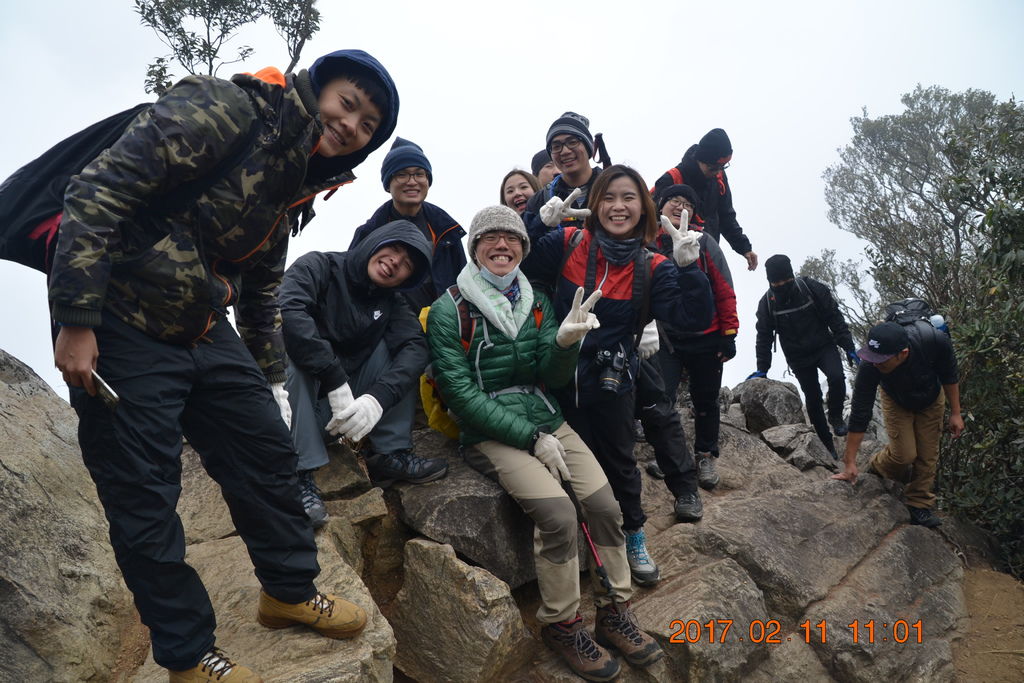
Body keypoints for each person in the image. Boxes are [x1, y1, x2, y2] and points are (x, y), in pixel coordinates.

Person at [49, 50, 399, 681]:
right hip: (121, 319)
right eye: (348, 103)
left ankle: (287, 592)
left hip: (202, 326)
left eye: (368, 124)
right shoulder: (229, 108)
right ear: (316, 87)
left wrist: (269, 378)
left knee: (266, 453)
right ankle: (188, 656)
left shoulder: (295, 184)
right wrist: (77, 318)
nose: (351, 125)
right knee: (143, 495)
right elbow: (100, 188)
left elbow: (262, 294)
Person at [427, 205, 664, 680]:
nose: (502, 245)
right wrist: (531, 438)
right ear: (474, 247)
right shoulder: (449, 310)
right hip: (490, 432)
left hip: (546, 418)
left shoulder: (535, 301)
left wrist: (564, 344)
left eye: (511, 239)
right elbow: (460, 395)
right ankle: (562, 623)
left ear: (523, 248)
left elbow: (548, 376)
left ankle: (615, 610)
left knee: (604, 504)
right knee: (558, 515)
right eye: (490, 237)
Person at [523, 164, 713, 587]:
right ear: (595, 205)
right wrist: (537, 223)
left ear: (643, 207)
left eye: (628, 197)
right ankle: (586, 538)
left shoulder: (656, 266)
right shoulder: (568, 241)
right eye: (608, 197)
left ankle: (633, 535)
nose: (617, 206)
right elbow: (516, 264)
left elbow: (690, 319)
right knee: (567, 465)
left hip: (613, 379)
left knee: (620, 462)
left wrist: (689, 270)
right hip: (556, 374)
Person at [281, 220, 448, 529]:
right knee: (292, 349)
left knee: (404, 349)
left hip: (339, 417)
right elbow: (288, 312)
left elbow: (415, 347)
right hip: (285, 414)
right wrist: (332, 376)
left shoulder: (391, 303)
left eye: (407, 264)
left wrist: (377, 398)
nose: (395, 262)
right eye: (394, 248)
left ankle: (390, 453)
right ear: (377, 240)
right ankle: (299, 474)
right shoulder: (319, 266)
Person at [648, 184, 739, 492]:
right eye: (674, 200)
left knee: (706, 401)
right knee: (661, 398)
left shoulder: (705, 242)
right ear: (660, 206)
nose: (679, 206)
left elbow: (724, 289)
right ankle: (667, 456)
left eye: (687, 203)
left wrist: (729, 333)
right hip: (667, 338)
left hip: (707, 337)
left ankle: (705, 455)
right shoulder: (649, 243)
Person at [832, 321, 963, 528]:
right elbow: (860, 413)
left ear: (902, 353)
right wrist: (850, 462)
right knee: (904, 455)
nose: (876, 364)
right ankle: (877, 466)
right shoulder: (871, 365)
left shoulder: (934, 341)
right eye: (873, 359)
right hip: (896, 399)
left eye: (882, 361)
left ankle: (919, 503)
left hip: (930, 399)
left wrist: (956, 413)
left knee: (927, 454)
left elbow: (949, 375)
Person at [750, 255, 858, 457]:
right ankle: (827, 445)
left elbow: (834, 317)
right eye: (777, 282)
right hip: (798, 356)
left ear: (792, 275)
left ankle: (835, 417)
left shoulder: (811, 288)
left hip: (824, 346)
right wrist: (762, 368)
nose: (782, 285)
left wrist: (848, 345)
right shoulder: (767, 304)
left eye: (786, 280)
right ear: (770, 282)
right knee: (813, 398)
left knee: (836, 377)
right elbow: (763, 337)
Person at [349, 137, 466, 312]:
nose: (412, 181)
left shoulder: (447, 231)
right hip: (385, 329)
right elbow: (350, 285)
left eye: (419, 174)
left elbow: (463, 287)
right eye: (402, 174)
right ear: (388, 183)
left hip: (442, 330)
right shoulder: (369, 233)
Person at [652, 128, 758, 271]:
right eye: (714, 167)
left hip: (706, 257)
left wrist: (744, 247)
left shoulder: (719, 178)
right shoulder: (672, 179)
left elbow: (726, 216)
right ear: (700, 159)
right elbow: (646, 216)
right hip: (669, 259)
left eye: (722, 167)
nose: (718, 171)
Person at [522, 112, 602, 236]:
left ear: (588, 146)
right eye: (556, 146)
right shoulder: (540, 200)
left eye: (572, 142)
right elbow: (525, 247)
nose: (565, 151)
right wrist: (541, 223)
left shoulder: (614, 187)